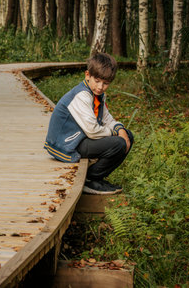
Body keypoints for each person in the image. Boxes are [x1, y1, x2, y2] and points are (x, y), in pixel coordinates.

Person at [44, 52, 134, 194]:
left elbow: (106, 118)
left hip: (80, 138)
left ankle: (97, 178)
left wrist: (120, 129)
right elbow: (92, 131)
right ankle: (91, 180)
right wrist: (115, 133)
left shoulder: (97, 94)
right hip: (65, 144)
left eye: (105, 83)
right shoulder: (82, 95)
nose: (100, 87)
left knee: (127, 136)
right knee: (119, 143)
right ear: (87, 75)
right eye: (97, 81)